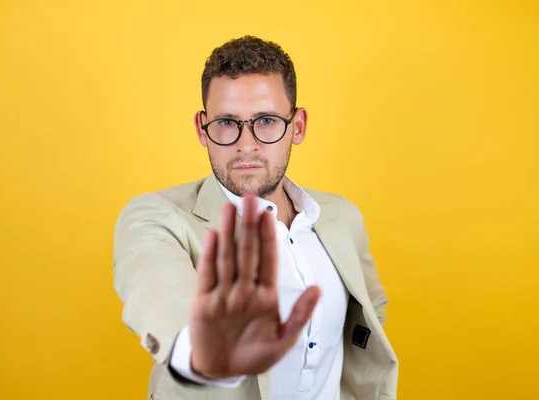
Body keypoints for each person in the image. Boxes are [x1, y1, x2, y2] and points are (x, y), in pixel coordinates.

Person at [113, 35, 398, 400]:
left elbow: (371, 311)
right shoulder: (157, 217)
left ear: (298, 127)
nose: (246, 145)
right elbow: (155, 287)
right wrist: (202, 353)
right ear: (203, 129)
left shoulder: (341, 215)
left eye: (265, 120)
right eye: (227, 123)